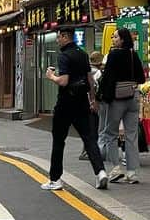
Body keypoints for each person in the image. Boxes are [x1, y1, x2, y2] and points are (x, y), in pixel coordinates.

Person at [43, 27, 108, 192]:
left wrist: (51, 76)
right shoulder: (82, 53)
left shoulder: (64, 55)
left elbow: (64, 81)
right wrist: (93, 100)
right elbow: (90, 80)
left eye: (59, 37)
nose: (58, 40)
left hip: (65, 103)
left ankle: (55, 179)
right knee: (89, 138)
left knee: (59, 140)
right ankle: (100, 172)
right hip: (82, 102)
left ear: (65, 37)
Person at [97, 29, 146, 184]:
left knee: (110, 134)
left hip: (116, 99)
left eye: (116, 36)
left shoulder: (113, 55)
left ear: (123, 39)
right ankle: (132, 173)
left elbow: (107, 78)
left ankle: (116, 168)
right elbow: (141, 78)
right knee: (131, 135)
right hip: (133, 97)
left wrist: (101, 97)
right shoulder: (133, 54)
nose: (113, 38)